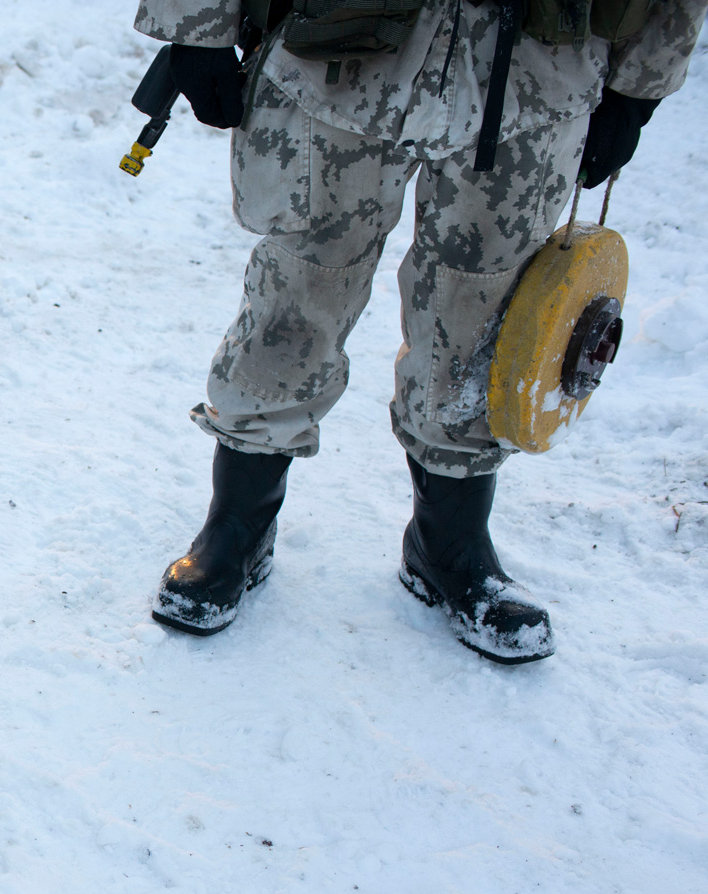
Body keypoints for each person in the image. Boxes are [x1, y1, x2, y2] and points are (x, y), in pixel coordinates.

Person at [137, 0, 705, 663]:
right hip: (338, 47)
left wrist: (640, 84)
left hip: (535, 71)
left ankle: (450, 547)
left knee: (486, 319)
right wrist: (196, 25)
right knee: (294, 295)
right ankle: (237, 523)